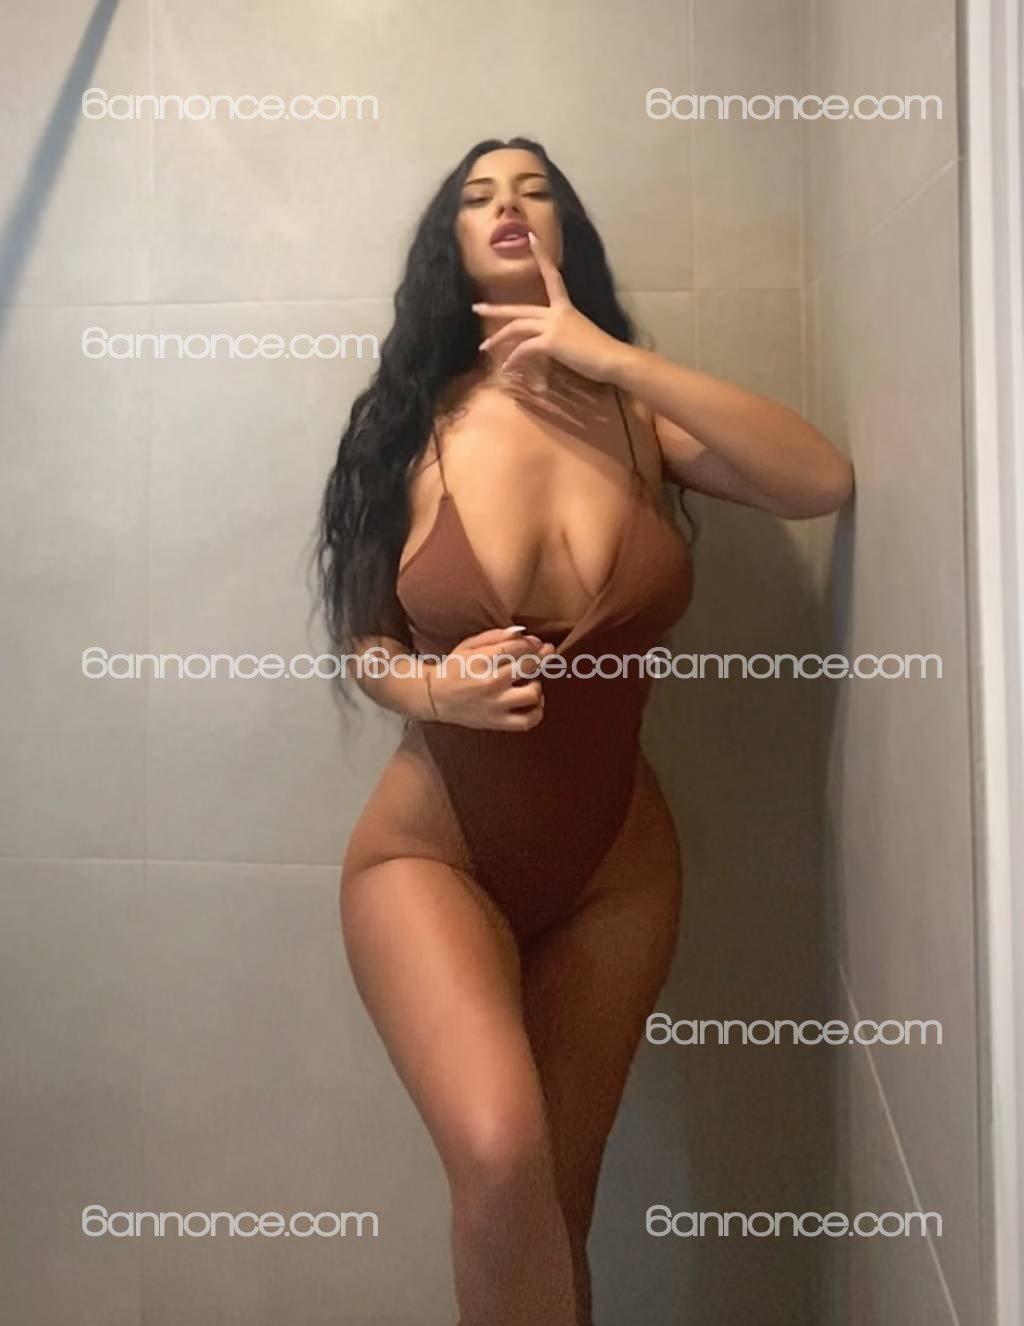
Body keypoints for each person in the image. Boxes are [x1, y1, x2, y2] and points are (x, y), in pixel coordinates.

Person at [312, 136, 853, 1326]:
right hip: (432, 855)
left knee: (557, 1197)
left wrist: (610, 357)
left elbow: (817, 480)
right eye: (478, 197)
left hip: (618, 869)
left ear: (565, 233)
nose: (508, 206)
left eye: (534, 191)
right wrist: (436, 693)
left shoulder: (638, 419)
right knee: (500, 1153)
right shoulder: (410, 428)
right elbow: (365, 646)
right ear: (451, 245)